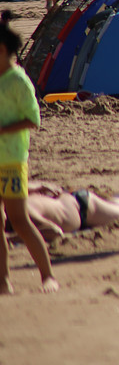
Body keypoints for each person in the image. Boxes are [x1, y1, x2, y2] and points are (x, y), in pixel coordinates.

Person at [0, 21, 59, 293]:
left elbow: (33, 120)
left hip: (11, 161)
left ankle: (47, 276)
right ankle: (3, 281)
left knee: (20, 221)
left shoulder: (18, 80)